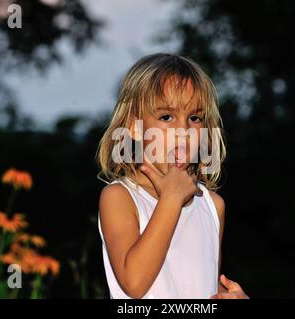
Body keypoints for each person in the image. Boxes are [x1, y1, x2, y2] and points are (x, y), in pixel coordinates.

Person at [96, 53, 249, 299]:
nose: (183, 131)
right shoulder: (120, 197)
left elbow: (201, 283)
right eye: (166, 117)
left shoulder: (212, 206)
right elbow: (134, 283)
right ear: (134, 127)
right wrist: (171, 198)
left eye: (195, 118)